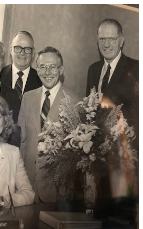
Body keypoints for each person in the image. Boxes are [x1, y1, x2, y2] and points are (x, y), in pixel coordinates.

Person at [18, 47, 81, 203]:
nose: (47, 72)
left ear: (61, 69)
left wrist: (68, 186)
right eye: (42, 67)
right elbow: (22, 141)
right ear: (37, 69)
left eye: (53, 67)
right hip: (27, 185)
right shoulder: (27, 97)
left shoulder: (74, 101)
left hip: (57, 188)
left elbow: (77, 152)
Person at [86, 18, 139, 149]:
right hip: (96, 149)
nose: (106, 44)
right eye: (102, 39)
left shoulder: (136, 68)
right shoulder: (93, 69)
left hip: (125, 150)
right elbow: (89, 110)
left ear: (121, 41)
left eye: (112, 39)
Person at [1, 31, 42, 99]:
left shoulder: (40, 80)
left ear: (33, 53)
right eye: (18, 48)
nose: (22, 53)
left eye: (27, 49)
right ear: (11, 50)